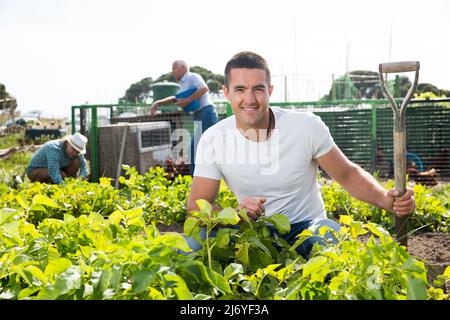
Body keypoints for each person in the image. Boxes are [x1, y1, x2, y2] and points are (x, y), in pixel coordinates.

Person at [185, 51, 415, 259]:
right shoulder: (215, 138)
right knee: (192, 244)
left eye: (258, 89)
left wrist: (385, 199)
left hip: (306, 228)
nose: (250, 99)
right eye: (240, 90)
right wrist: (233, 215)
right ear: (226, 93)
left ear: (270, 91)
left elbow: (346, 174)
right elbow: (197, 205)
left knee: (328, 237)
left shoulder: (305, 126)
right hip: (250, 233)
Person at [150, 60, 218, 175]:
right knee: (200, 150)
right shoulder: (182, 84)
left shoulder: (192, 77)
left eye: (174, 68)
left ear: (183, 67)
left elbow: (204, 88)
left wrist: (187, 100)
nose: (173, 71)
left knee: (195, 150)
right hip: (198, 116)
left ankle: (198, 179)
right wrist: (158, 103)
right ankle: (202, 179)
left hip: (206, 113)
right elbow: (175, 98)